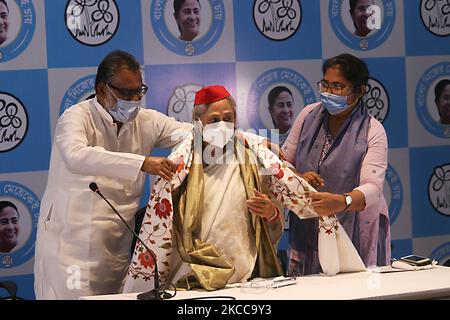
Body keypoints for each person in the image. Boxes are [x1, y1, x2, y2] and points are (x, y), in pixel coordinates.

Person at [33, 50, 192, 299]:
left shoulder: (147, 121)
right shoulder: (76, 117)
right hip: (70, 251)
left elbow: (193, 135)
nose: (133, 99)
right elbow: (76, 156)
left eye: (138, 91)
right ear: (102, 90)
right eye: (125, 92)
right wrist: (142, 163)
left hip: (116, 248)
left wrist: (256, 144)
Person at [124, 85, 297, 293]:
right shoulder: (181, 168)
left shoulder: (253, 159)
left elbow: (274, 217)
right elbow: (166, 229)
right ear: (198, 123)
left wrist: (270, 213)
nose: (222, 125)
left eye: (228, 118)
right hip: (194, 278)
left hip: (246, 279)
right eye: (214, 120)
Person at [282, 53, 391, 275]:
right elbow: (282, 162)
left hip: (353, 227)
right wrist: (299, 177)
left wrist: (342, 201)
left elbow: (372, 189)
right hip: (307, 224)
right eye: (326, 85)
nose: (329, 93)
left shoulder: (373, 130)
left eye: (339, 87)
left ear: (359, 91)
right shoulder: (308, 115)